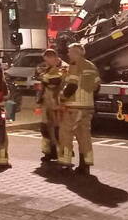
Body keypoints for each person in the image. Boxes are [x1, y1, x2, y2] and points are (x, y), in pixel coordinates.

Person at [57, 42, 100, 175]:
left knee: (65, 134)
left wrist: (62, 97)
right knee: (84, 136)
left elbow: (72, 86)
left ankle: (65, 163)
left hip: (73, 107)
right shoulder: (92, 66)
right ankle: (85, 165)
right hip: (87, 107)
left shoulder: (75, 65)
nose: (68, 54)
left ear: (76, 53)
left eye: (70, 52)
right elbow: (97, 87)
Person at [34, 47, 68, 162]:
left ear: (53, 57)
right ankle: (49, 151)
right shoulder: (49, 68)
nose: (46, 62)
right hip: (47, 103)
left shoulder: (64, 67)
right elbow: (44, 84)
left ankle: (61, 154)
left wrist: (44, 78)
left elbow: (56, 82)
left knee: (58, 130)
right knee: (45, 128)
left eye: (47, 60)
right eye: (45, 60)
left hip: (58, 103)